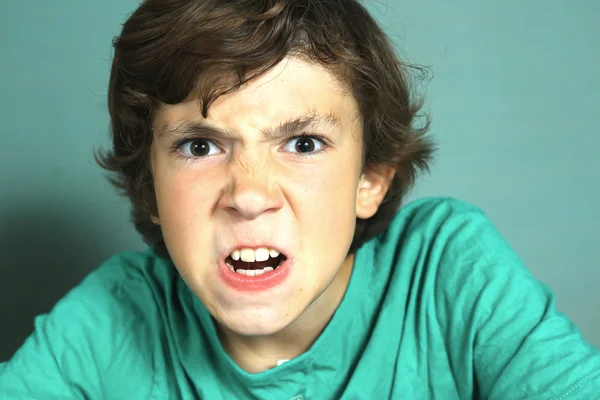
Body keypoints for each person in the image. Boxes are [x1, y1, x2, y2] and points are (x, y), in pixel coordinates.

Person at [1, 0, 599, 398]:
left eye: (304, 142)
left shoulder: (444, 272)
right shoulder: (112, 318)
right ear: (150, 187)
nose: (251, 194)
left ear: (371, 178)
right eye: (201, 146)